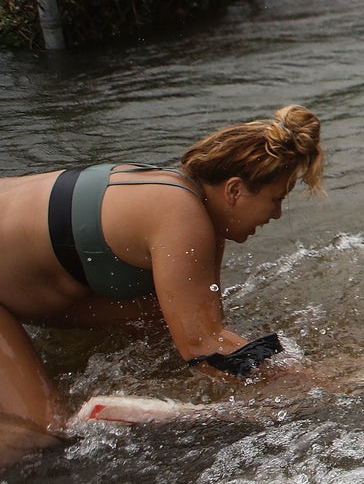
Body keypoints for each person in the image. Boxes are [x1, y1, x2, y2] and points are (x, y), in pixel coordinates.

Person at [0, 106, 324, 461]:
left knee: (158, 319)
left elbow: (200, 325)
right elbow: (204, 346)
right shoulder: (182, 215)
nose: (276, 214)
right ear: (234, 191)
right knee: (48, 438)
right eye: (275, 199)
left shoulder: (190, 204)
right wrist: (307, 383)